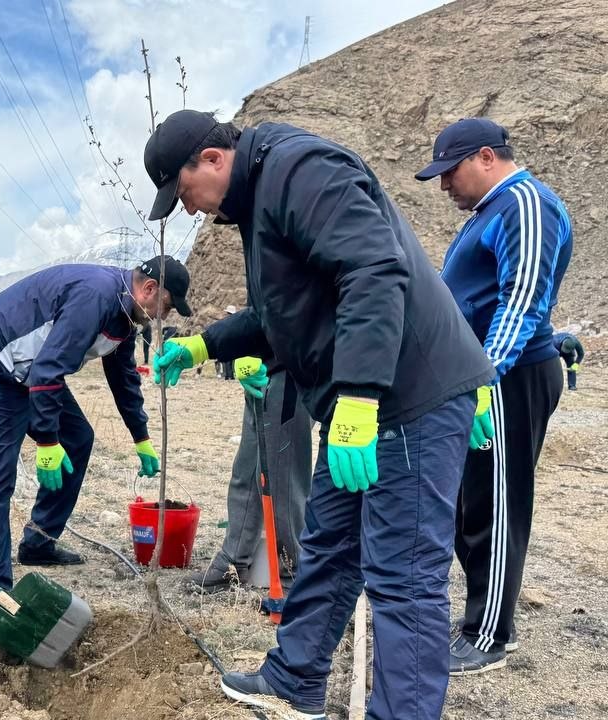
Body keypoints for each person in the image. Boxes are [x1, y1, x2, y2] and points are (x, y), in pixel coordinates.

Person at [146, 109, 495, 720]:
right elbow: (281, 316)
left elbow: (372, 270)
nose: (192, 210)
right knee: (330, 543)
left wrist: (360, 396)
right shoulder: (260, 204)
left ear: (210, 159)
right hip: (355, 409)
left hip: (405, 397)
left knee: (403, 574)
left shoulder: (299, 170)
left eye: (184, 195)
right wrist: (205, 344)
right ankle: (295, 678)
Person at [415, 117, 573, 674]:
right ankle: (482, 614)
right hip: (479, 379)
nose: (444, 185)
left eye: (449, 172)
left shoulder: (526, 205)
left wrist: (483, 376)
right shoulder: (491, 213)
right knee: (465, 503)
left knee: (496, 504)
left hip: (507, 379)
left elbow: (522, 299)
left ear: (486, 157)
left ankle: (488, 636)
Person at [0, 256, 191, 605]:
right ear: (150, 289)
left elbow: (123, 377)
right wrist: (48, 442)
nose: (164, 316)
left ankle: (38, 541)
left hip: (35, 368)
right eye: (167, 306)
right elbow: (48, 371)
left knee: (79, 438)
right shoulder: (95, 297)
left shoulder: (126, 314)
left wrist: (140, 437)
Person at [186, 357, 312, 598]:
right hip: (263, 369)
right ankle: (233, 563)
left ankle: (293, 575)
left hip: (291, 371)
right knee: (246, 469)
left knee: (282, 477)